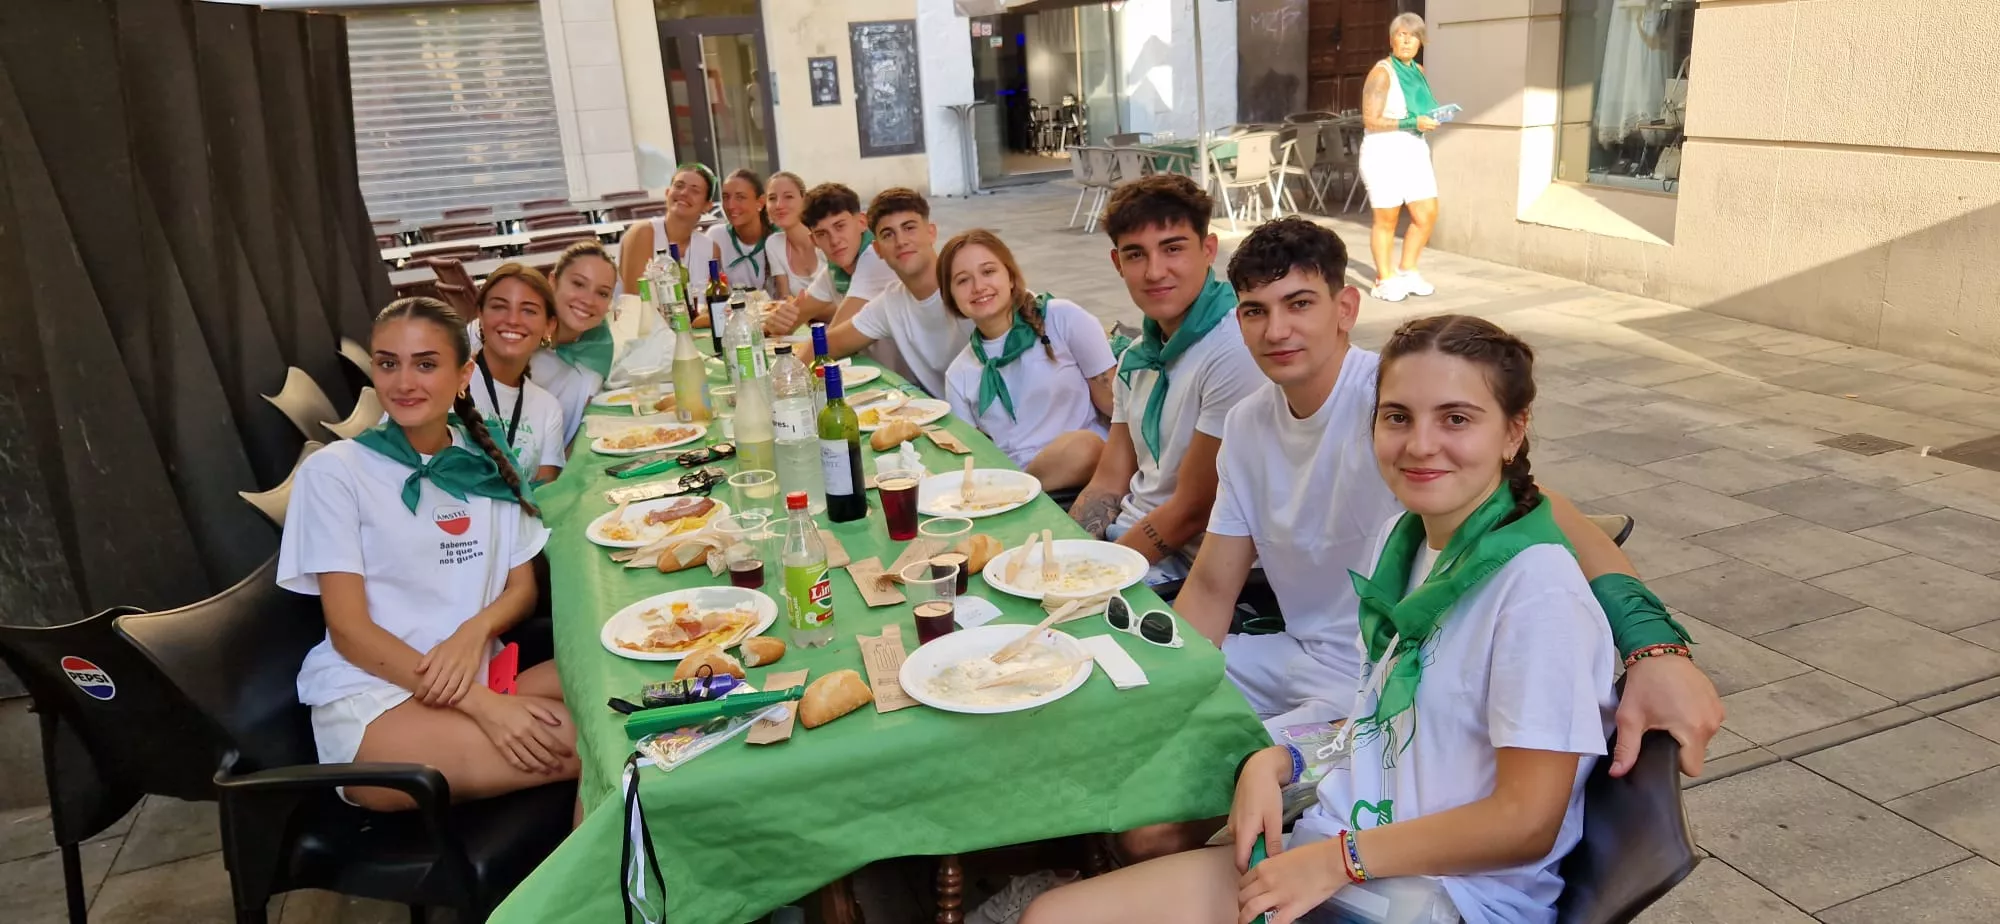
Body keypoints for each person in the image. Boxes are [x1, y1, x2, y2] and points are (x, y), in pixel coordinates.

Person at [1025, 315, 1616, 924]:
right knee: (1051, 914)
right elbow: (1386, 720)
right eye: (1398, 417)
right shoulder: (1407, 539)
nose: (1419, 444)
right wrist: (1284, 759)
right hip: (1348, 839)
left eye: (1456, 418)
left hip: (1445, 894)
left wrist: (1339, 860)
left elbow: (1525, 822)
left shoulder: (1535, 589)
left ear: (1514, 433)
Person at [1178, 217, 1717, 768]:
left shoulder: (1396, 403)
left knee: (1192, 776)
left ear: (1345, 309)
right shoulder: (1246, 423)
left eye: (1299, 304)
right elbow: (1213, 587)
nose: (1276, 331)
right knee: (1136, 698)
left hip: (1381, 672)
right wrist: (1168, 685)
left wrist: (1656, 650)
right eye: (1255, 311)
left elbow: (1558, 522)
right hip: (1293, 650)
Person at [279, 297, 576, 812]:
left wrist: (473, 632)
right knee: (602, 743)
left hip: (476, 673)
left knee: (628, 693)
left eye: (426, 364)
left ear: (464, 374)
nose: (403, 382)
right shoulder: (335, 473)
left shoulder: (486, 459)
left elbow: (521, 589)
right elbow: (349, 631)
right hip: (376, 700)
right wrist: (482, 705)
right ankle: (583, 895)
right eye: (388, 363)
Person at [1067, 174, 1265, 584]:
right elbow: (1110, 478)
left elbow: (1193, 508)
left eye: (1172, 248)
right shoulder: (1138, 357)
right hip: (1129, 544)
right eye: (1136, 255)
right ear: (1117, 263)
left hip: (1185, 567)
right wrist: (1070, 555)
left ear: (1208, 250)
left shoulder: (1233, 346)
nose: (1155, 271)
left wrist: (1095, 576)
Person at [939, 229, 1115, 490]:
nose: (978, 287)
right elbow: (971, 455)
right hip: (1009, 478)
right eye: (963, 280)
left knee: (1084, 446)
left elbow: (1116, 406)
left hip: (1086, 472)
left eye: (988, 272)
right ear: (951, 296)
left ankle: (1018, 492)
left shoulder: (1061, 318)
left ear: (1010, 277)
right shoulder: (959, 373)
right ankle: (1017, 493)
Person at [814, 188, 973, 398]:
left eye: (909, 228)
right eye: (888, 234)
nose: (901, 241)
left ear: (931, 233)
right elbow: (828, 344)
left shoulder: (970, 284)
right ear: (878, 249)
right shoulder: (891, 303)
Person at [471, 241, 618, 444]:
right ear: (553, 281)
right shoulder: (499, 332)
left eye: (602, 293)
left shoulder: (593, 358)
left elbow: (572, 442)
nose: (588, 300)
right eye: (578, 284)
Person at [1359, 12, 1442, 303]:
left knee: (1426, 213)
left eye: (1413, 35)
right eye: (1401, 35)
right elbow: (1370, 120)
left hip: (1414, 150)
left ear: (1421, 41)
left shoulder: (1418, 70)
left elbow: (1419, 108)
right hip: (1384, 152)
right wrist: (1412, 123)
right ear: (1392, 39)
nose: (1407, 40)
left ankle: (1407, 270)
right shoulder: (1381, 73)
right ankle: (1384, 279)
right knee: (1387, 217)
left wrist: (1433, 117)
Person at [466, 263, 568, 485]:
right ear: (480, 316)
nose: (512, 320)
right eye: (499, 307)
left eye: (529, 310)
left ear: (549, 326)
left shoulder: (548, 408)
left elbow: (544, 496)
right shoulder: (444, 386)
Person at [760, 182, 899, 335]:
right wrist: (775, 323)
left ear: (862, 223)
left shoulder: (876, 257)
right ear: (814, 241)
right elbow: (793, 318)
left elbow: (834, 340)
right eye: (822, 234)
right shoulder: (834, 270)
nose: (834, 240)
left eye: (840, 226)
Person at [616, 164, 722, 310]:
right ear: (667, 193)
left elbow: (713, 304)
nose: (684, 193)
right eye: (679, 186)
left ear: (707, 206)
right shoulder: (643, 233)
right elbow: (636, 304)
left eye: (695, 190)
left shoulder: (711, 248)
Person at [707, 169, 776, 296]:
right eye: (726, 197)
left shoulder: (777, 238)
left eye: (740, 197)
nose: (730, 205)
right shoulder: (716, 236)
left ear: (760, 202)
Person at [762, 171, 824, 300]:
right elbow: (785, 299)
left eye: (788, 197)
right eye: (772, 198)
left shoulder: (824, 237)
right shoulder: (774, 244)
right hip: (802, 319)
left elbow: (843, 300)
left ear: (804, 200)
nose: (779, 205)